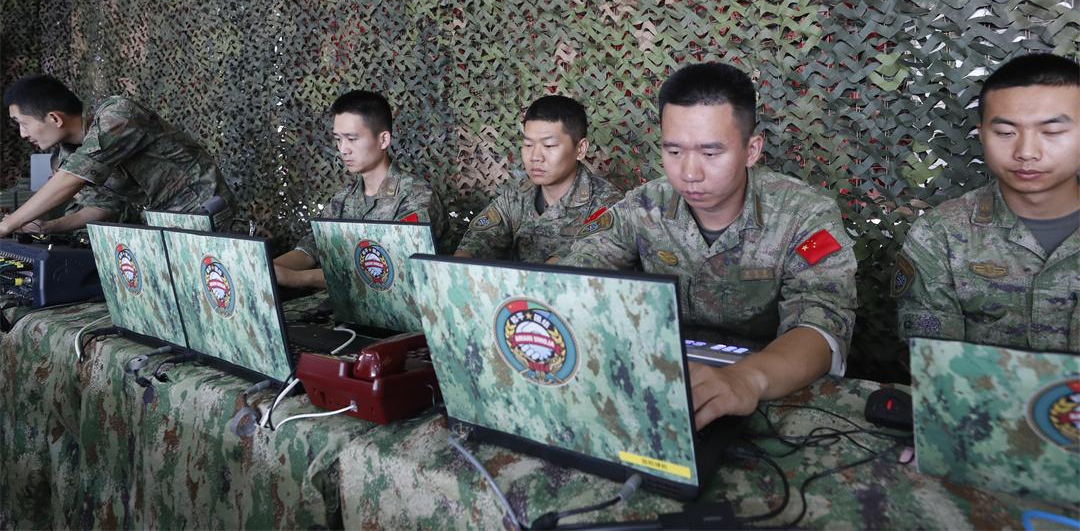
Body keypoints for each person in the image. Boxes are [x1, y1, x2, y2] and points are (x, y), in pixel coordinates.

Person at [561, 62, 857, 429]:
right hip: (661, 380)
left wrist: (746, 379)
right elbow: (575, 277)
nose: (689, 173)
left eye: (711, 153)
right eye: (674, 152)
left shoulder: (803, 214)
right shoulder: (644, 206)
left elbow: (822, 324)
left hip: (770, 385)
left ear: (751, 150)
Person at [896, 53, 1079, 352]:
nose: (1026, 152)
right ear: (981, 136)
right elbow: (935, 361)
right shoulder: (940, 235)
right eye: (1005, 133)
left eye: (1052, 132)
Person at [0, 74, 235, 236]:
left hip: (202, 208)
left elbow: (72, 178)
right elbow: (103, 206)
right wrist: (47, 227)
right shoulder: (67, 156)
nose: (22, 134)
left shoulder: (117, 115)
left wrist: (8, 224)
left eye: (23, 123)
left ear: (54, 118)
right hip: (163, 222)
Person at [274, 90, 446, 289]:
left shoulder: (416, 197)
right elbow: (310, 250)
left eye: (352, 139)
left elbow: (393, 272)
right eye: (338, 139)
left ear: (383, 140)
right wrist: (266, 268)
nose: (343, 149)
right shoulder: (342, 200)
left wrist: (299, 278)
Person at [454, 95, 622, 263]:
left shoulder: (608, 205)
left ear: (580, 149)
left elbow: (587, 257)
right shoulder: (516, 198)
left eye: (549, 145)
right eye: (528, 145)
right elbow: (478, 240)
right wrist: (461, 264)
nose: (535, 156)